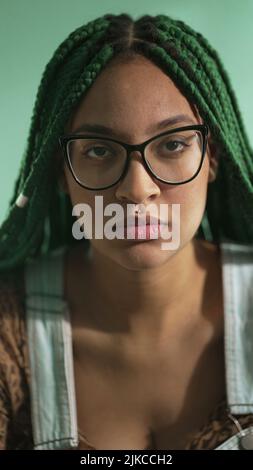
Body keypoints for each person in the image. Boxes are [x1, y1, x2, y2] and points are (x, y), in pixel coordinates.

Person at [0, 12, 253, 451]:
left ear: (211, 155)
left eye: (173, 144)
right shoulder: (9, 334)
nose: (136, 190)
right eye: (98, 150)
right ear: (61, 171)